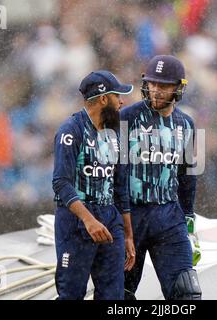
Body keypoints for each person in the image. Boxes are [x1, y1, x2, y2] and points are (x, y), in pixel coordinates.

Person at [121, 55, 202, 300]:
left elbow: (188, 175)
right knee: (117, 295)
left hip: (169, 218)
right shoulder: (125, 118)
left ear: (179, 88)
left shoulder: (187, 124)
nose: (156, 90)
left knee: (186, 293)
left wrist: (189, 220)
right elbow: (111, 173)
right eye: (152, 83)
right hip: (129, 217)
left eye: (164, 85)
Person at [52, 70, 135, 300]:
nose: (122, 101)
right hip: (76, 221)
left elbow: (120, 186)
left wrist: (128, 235)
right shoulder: (70, 131)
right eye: (118, 96)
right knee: (71, 294)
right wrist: (88, 220)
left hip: (110, 218)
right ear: (103, 98)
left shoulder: (116, 133)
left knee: (113, 297)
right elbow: (61, 183)